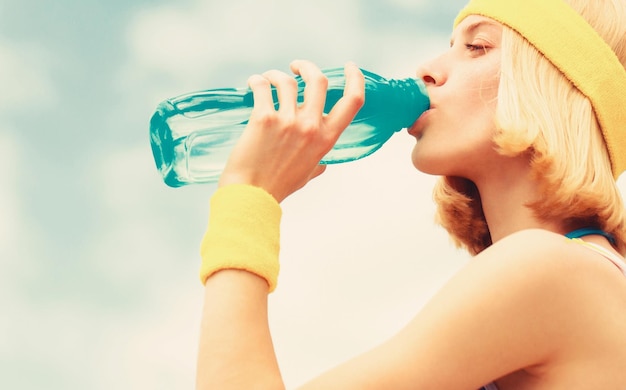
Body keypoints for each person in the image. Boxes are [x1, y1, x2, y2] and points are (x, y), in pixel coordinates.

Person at [194, 0, 626, 388]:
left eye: (477, 47)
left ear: (557, 87)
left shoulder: (549, 270)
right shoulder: (582, 271)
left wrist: (246, 197)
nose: (426, 69)